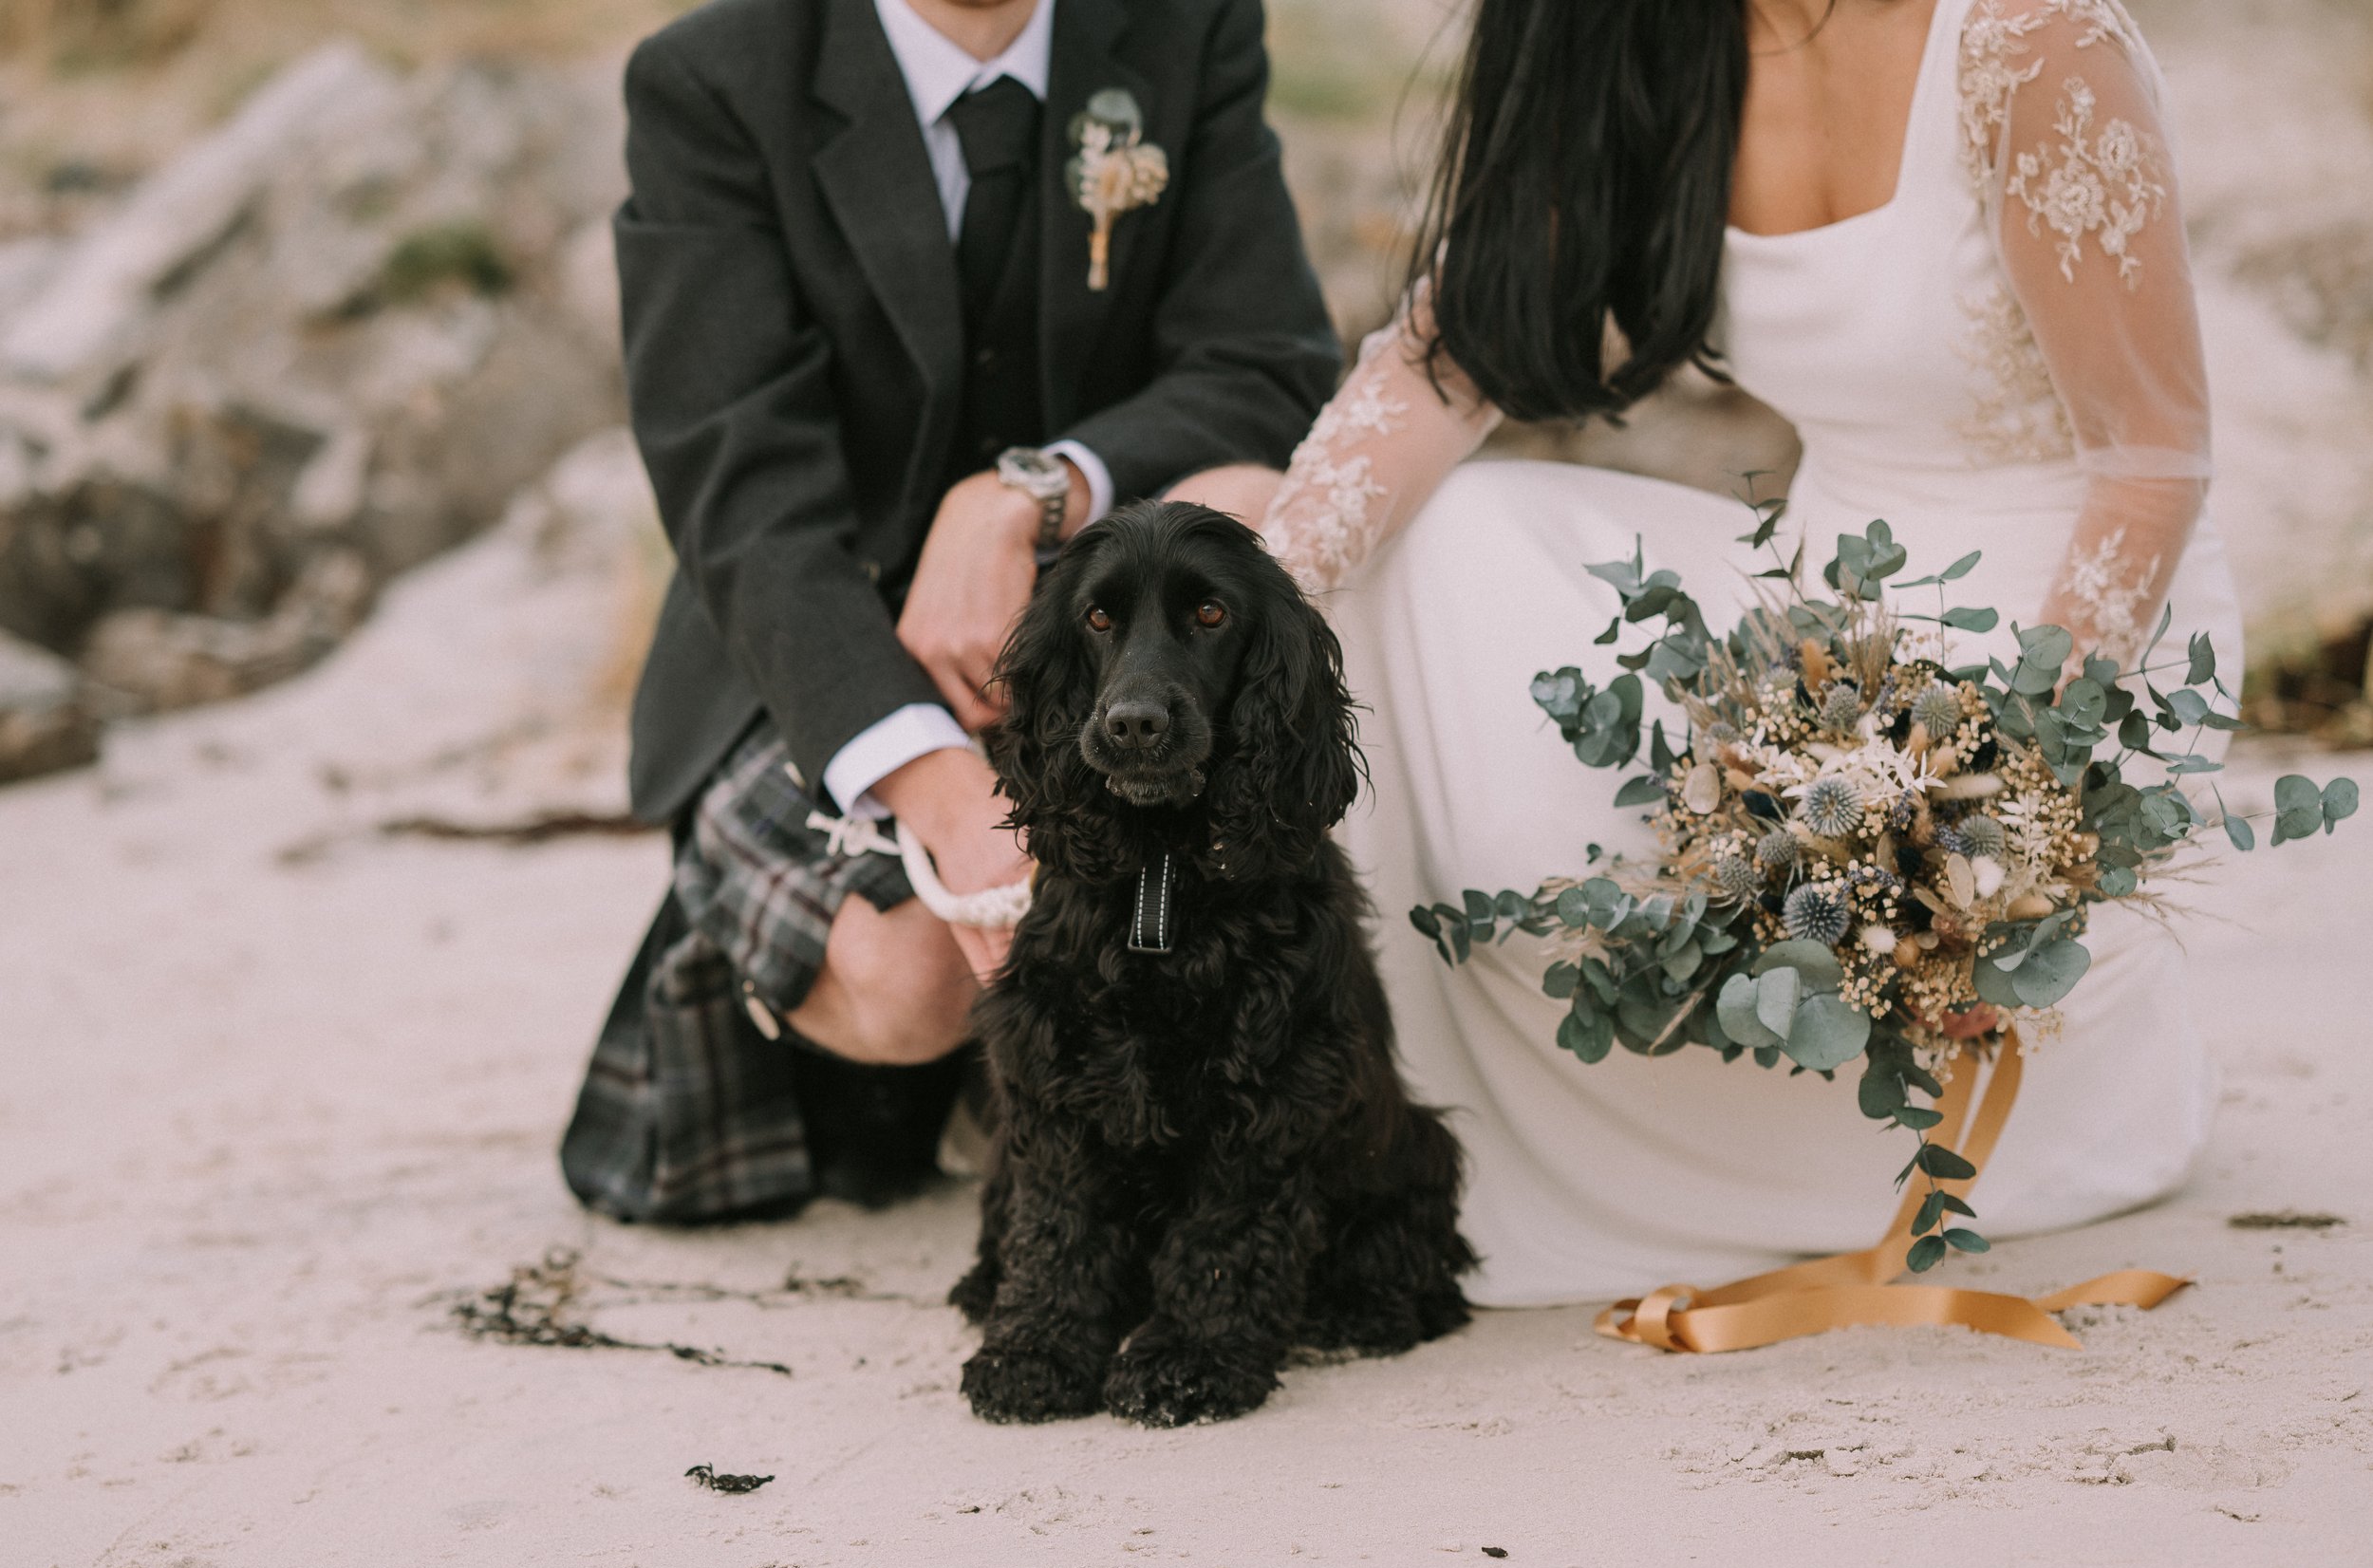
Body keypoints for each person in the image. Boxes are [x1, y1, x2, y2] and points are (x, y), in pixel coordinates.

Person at [1253, 0, 2240, 1304]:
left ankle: (1971, 1088)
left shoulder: (2034, 45)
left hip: (2072, 625)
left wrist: (2005, 818)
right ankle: (1329, 1111)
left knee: (1821, 902)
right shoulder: (1647, 35)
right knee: (1403, 555)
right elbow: (1447, 363)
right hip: (1828, 602)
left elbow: (2152, 461)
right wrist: (1248, 604)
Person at [562, 0, 1337, 1223]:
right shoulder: (714, 80)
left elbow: (1268, 363)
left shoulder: (1183, 27)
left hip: (1092, 630)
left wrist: (1035, 490)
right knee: (927, 970)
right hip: (809, 641)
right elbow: (741, 495)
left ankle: (1191, 1050)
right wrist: (941, 791)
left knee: (1248, 500)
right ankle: (867, 1047)